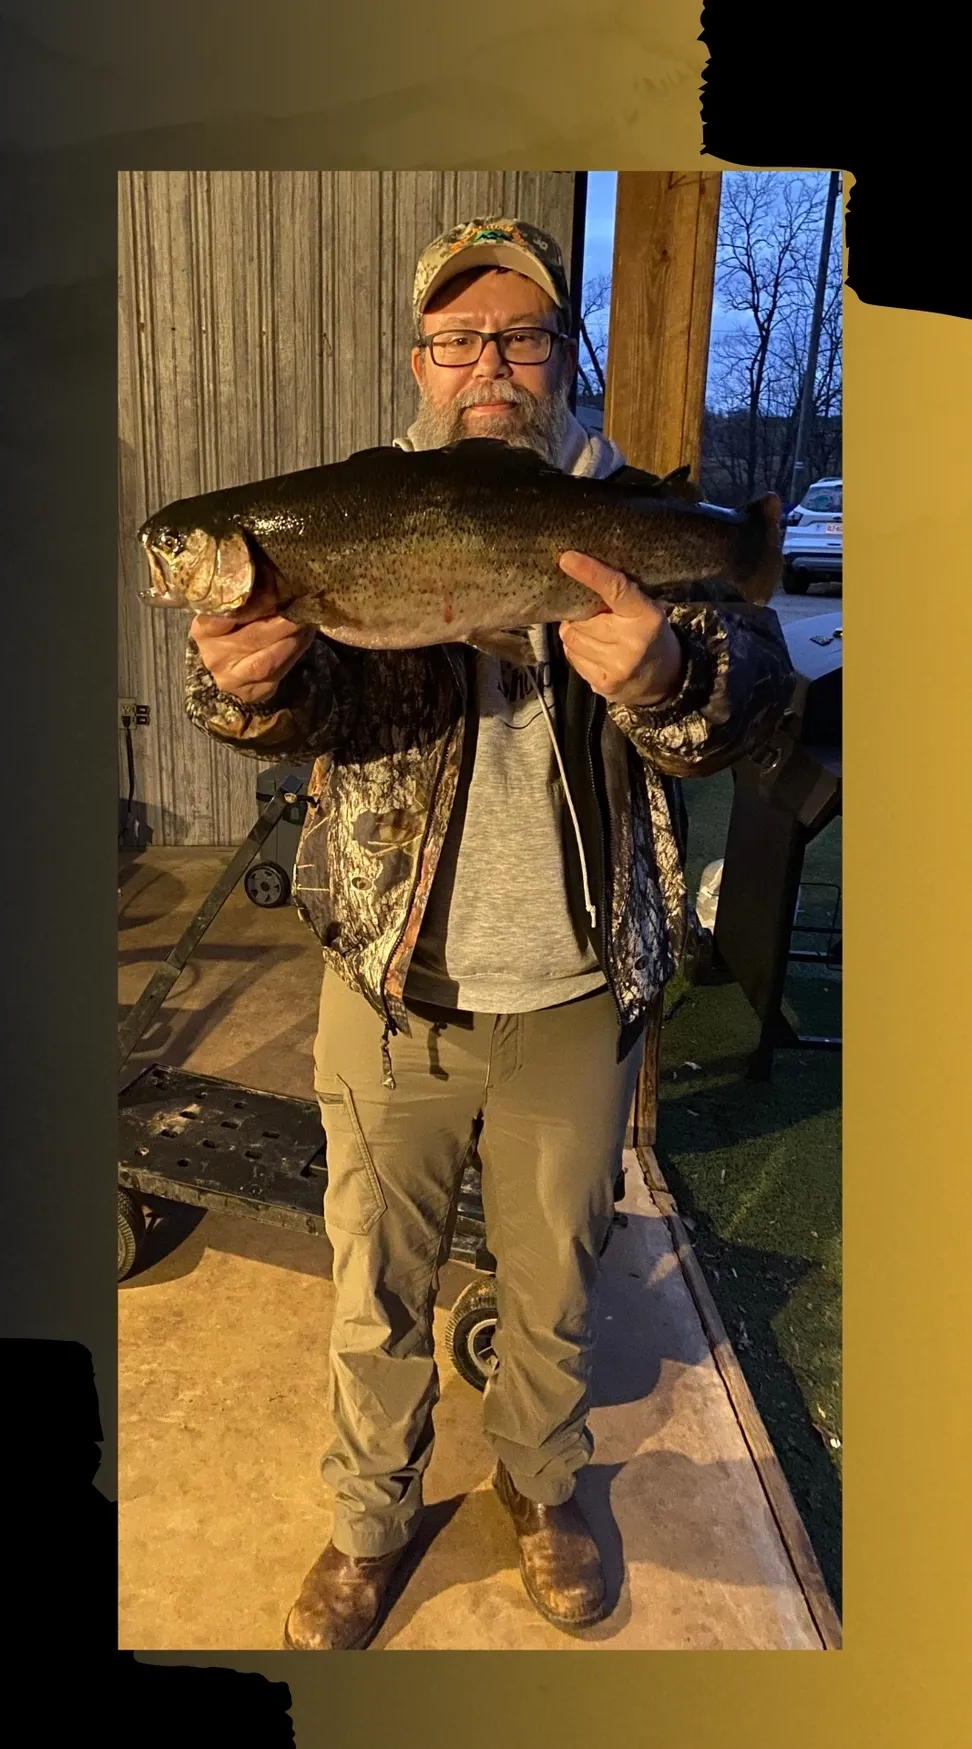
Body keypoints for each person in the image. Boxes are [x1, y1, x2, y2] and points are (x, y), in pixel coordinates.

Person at [185, 216, 794, 1651]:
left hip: (577, 998)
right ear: (421, 361)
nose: (490, 366)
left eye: (520, 336)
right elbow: (307, 714)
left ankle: (543, 1485)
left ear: (559, 358)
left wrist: (663, 671)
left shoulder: (633, 520)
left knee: (555, 1284)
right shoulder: (345, 520)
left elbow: (753, 695)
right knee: (370, 1293)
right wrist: (250, 685)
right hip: (394, 988)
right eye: (459, 340)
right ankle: (370, 1522)